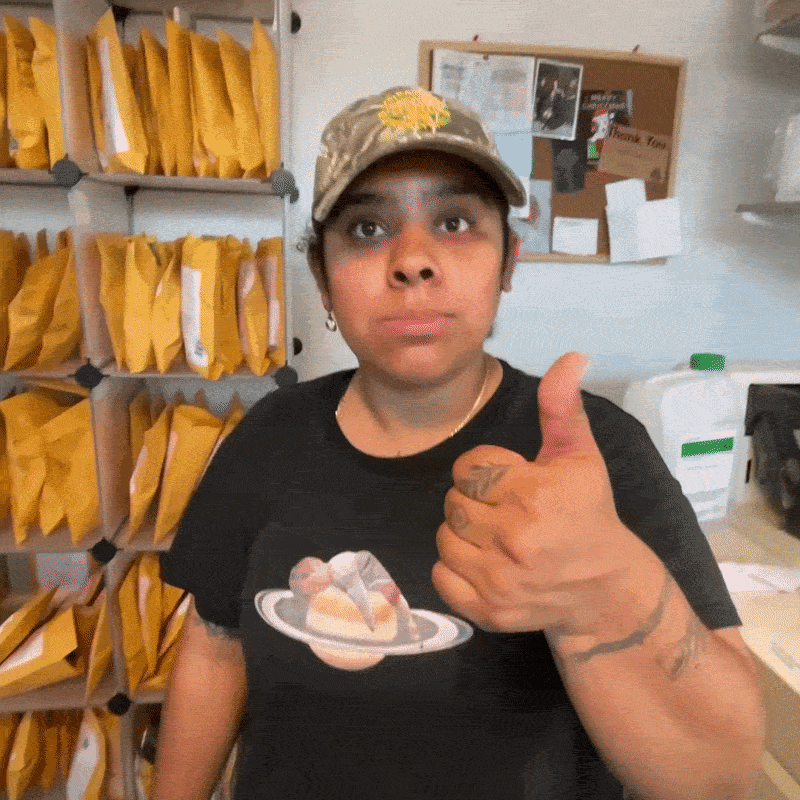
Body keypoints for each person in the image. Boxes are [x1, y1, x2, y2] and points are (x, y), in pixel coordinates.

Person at [154, 85, 764, 800]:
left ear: (508, 264)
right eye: (367, 229)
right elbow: (216, 645)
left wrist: (607, 589)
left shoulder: (600, 453)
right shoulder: (269, 435)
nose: (413, 261)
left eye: (453, 221)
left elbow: (719, 777)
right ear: (322, 277)